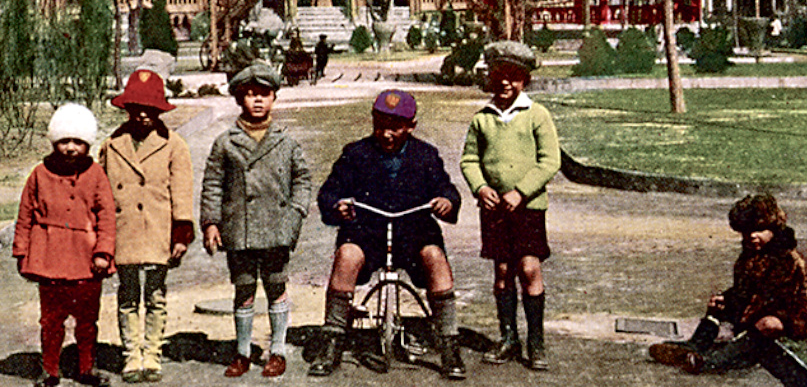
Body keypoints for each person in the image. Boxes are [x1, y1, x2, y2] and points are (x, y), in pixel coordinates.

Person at [309, 89, 466, 380]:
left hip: (413, 235)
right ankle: (331, 339)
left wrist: (447, 202)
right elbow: (329, 192)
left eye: (396, 126)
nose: (387, 134)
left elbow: (446, 189)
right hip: (367, 234)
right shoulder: (355, 153)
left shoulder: (426, 155)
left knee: (435, 256)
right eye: (380, 125)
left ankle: (449, 342)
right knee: (346, 255)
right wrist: (337, 205)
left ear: (411, 125)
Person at [200, 61, 312, 378]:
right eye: (249, 95)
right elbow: (212, 185)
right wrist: (211, 222)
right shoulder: (225, 142)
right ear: (239, 100)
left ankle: (277, 349)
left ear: (274, 97)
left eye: (263, 93)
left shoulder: (286, 141)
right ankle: (243, 351)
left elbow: (302, 180)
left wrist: (296, 214)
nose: (257, 100)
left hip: (276, 228)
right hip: (240, 230)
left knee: (276, 287)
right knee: (244, 289)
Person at [459, 41, 560, 371]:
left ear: (525, 81)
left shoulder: (537, 114)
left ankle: (536, 341)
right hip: (494, 211)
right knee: (502, 273)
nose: (506, 83)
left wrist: (521, 191)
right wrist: (481, 187)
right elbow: (469, 159)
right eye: (499, 75)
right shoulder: (482, 119)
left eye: (514, 77)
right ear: (490, 78)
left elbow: (550, 161)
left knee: (529, 269)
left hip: (528, 207)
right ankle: (508, 337)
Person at [99, 69, 196, 383]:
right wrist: (100, 236)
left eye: (150, 109)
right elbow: (99, 193)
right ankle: (131, 356)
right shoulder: (111, 145)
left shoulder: (174, 144)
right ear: (126, 109)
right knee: (127, 297)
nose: (142, 115)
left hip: (159, 231)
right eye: (136, 108)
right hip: (123, 230)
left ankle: (152, 355)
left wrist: (181, 232)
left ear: (160, 110)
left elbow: (181, 191)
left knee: (155, 296)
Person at [649, 193, 807, 374]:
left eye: (759, 230)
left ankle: (713, 361)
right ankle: (695, 345)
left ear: (774, 228)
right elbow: (743, 288)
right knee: (718, 306)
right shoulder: (750, 255)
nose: (752, 236)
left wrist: (743, 316)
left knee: (769, 325)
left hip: (788, 315)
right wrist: (725, 300)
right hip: (755, 306)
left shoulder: (787, 259)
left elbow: (772, 298)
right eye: (746, 231)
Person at [13, 104, 116, 387]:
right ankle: (50, 370)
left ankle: (87, 368)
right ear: (54, 141)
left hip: (86, 259)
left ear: (87, 144)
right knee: (50, 320)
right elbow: (25, 214)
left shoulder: (95, 174)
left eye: (78, 142)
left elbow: (107, 215)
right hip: (50, 260)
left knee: (87, 321)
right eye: (64, 141)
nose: (71, 148)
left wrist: (103, 252)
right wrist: (22, 252)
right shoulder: (39, 174)